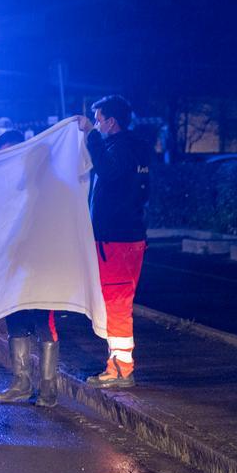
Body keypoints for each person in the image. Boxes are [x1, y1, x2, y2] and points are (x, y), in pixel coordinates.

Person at [76, 95, 150, 388]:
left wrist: (92, 137)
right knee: (118, 300)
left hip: (116, 239)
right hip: (129, 235)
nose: (95, 124)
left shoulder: (120, 149)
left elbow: (108, 170)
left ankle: (120, 369)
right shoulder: (137, 147)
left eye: (98, 119)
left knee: (116, 301)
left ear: (111, 122)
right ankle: (118, 363)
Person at [0, 129, 61, 407]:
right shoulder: (3, 186)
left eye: (9, 152)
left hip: (42, 263)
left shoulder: (47, 182)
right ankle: (21, 382)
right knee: (16, 321)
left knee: (44, 322)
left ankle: (47, 387)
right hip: (13, 263)